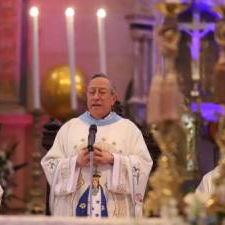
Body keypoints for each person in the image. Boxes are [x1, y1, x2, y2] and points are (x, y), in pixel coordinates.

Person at [41, 74, 153, 217]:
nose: (96, 97)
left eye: (102, 92)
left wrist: (114, 159)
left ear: (113, 99)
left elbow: (144, 164)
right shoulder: (69, 128)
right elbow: (50, 164)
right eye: (92, 92)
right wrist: (75, 162)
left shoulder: (129, 130)